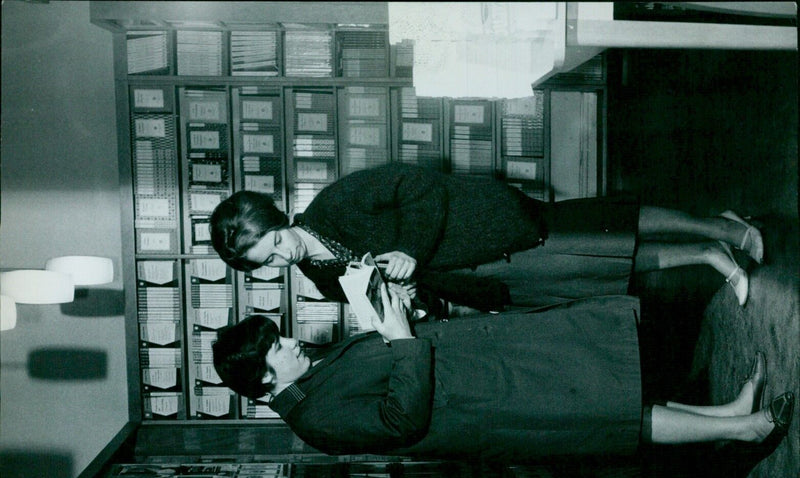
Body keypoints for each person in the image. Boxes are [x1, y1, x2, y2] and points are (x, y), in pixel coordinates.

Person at [212, 289, 793, 462]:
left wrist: (405, 318)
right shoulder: (314, 421)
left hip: (489, 370)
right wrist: (404, 342)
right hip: (492, 404)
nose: (288, 339)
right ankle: (743, 431)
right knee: (613, 411)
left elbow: (388, 360)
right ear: (265, 383)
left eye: (276, 334)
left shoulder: (311, 378)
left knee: (612, 385)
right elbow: (399, 421)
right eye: (275, 348)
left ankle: (728, 415)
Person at [209, 163, 764, 313]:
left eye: (277, 246)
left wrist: (410, 252)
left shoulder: (336, 203)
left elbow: (423, 186)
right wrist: (411, 303)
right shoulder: (323, 280)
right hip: (489, 277)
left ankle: (719, 224)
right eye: (269, 265)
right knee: (608, 267)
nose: (285, 259)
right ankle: (710, 256)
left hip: (492, 224)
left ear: (279, 221)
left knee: (611, 226)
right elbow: (416, 296)